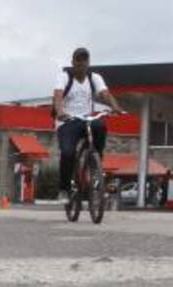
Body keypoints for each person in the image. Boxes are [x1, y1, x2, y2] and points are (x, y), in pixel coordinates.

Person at [52, 47, 124, 198]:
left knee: (100, 125)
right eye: (78, 61)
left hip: (86, 119)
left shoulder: (94, 78)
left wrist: (115, 106)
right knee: (67, 152)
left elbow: (105, 94)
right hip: (68, 121)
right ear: (73, 62)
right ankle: (64, 189)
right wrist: (60, 112)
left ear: (88, 63)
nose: (81, 64)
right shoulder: (64, 77)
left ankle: (95, 162)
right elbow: (58, 96)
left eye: (84, 61)